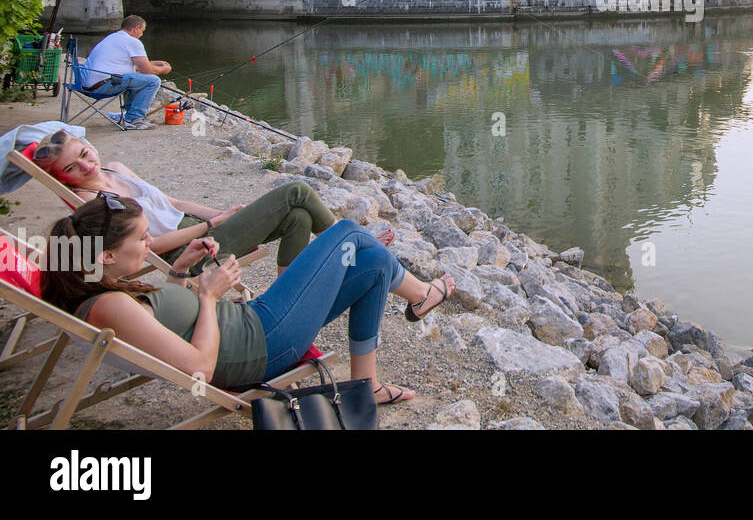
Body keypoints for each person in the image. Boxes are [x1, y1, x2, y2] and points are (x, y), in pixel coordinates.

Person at [42, 196, 454, 403]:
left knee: (375, 261)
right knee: (346, 231)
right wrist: (209, 295)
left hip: (257, 325)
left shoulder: (104, 290)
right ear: (107, 256)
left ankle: (367, 386)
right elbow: (199, 369)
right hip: (264, 343)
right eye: (142, 238)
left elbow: (168, 323)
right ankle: (421, 295)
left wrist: (180, 272)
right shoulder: (106, 306)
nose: (151, 243)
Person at [31, 128, 393, 274]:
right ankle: (358, 248)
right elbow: (148, 245)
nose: (85, 164)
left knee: (298, 217)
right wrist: (210, 226)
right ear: (63, 177)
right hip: (183, 250)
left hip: (196, 228)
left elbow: (168, 201)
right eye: (72, 167)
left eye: (83, 153)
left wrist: (215, 213)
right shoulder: (88, 200)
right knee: (296, 192)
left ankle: (288, 289)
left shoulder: (115, 169)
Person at [84, 15, 171, 130]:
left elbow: (134, 65)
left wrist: (154, 63)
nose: (142, 35)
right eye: (142, 31)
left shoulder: (113, 37)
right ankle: (133, 119)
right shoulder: (132, 41)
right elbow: (147, 70)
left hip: (89, 84)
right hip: (103, 85)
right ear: (136, 28)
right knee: (153, 81)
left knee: (134, 78)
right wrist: (164, 69)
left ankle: (130, 115)